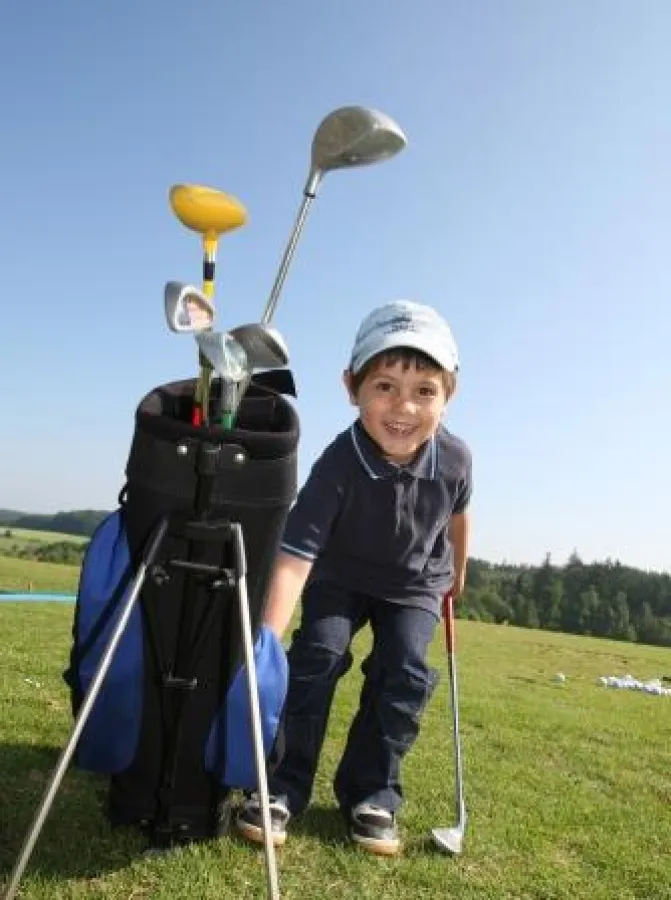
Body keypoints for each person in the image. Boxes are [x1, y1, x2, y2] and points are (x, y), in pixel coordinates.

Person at [236, 299, 472, 856]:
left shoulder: (457, 459)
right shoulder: (337, 464)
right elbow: (295, 558)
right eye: (384, 386)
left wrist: (457, 577)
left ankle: (372, 795)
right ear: (351, 387)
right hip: (339, 575)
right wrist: (266, 638)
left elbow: (459, 517)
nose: (404, 407)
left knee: (404, 669)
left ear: (449, 395)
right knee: (317, 655)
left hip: (415, 584)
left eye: (424, 391)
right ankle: (280, 785)